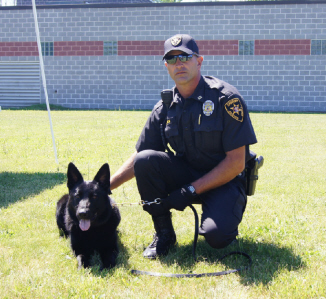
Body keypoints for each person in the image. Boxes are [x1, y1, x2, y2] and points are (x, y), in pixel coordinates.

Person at [110, 34, 257, 259]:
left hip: (224, 180)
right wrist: (104, 186)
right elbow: (140, 156)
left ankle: (223, 217)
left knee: (217, 238)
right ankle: (164, 234)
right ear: (166, 66)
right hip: (186, 173)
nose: (178, 64)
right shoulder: (165, 107)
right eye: (171, 59)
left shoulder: (226, 99)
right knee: (146, 160)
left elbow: (236, 162)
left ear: (199, 61)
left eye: (185, 57)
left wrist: (191, 189)